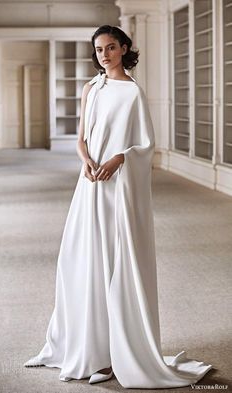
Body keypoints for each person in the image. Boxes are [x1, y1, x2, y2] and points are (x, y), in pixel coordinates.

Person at [24, 25, 213, 388]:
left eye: (111, 47)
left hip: (117, 189)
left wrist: (119, 160)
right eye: (99, 49)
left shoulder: (133, 93)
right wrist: (86, 161)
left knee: (112, 261)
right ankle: (80, 345)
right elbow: (81, 139)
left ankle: (110, 357)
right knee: (78, 260)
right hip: (90, 184)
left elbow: (144, 146)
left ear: (125, 48)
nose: (104, 54)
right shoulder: (90, 88)